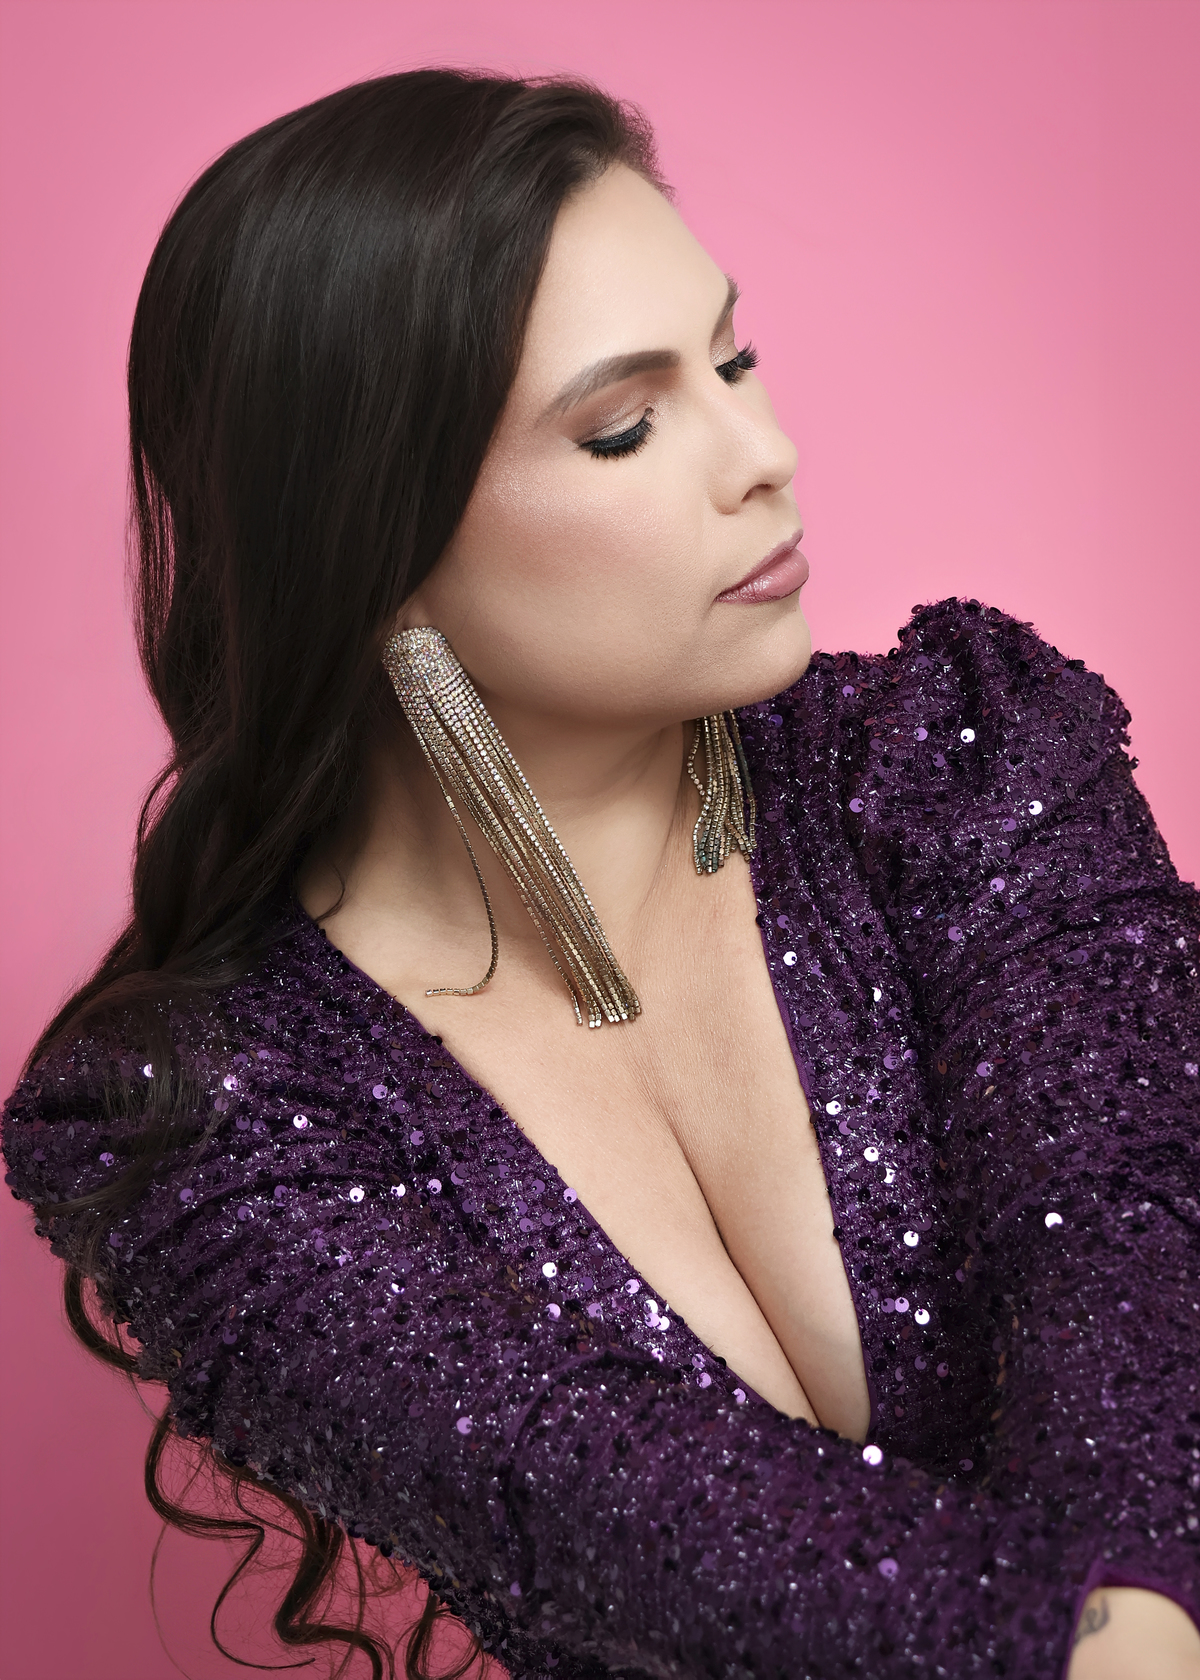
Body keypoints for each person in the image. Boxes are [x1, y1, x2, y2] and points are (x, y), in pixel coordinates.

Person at [3, 68, 1198, 1680]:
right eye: (625, 425)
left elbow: (1135, 1287)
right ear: (368, 548)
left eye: (735, 359)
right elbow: (642, 1527)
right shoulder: (211, 1123)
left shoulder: (956, 761)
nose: (765, 452)